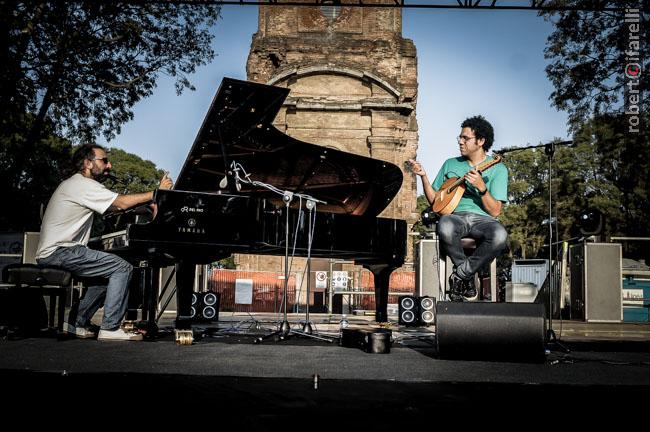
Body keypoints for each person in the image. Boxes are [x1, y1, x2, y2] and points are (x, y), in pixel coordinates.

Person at [35, 144, 173, 340]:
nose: (109, 165)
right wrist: (156, 193)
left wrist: (143, 205)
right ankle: (110, 328)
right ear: (87, 163)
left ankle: (76, 323)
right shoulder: (82, 184)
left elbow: (117, 209)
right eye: (104, 160)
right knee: (122, 268)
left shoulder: (76, 184)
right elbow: (121, 203)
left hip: (59, 251)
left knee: (104, 275)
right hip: (60, 252)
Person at [408, 115, 508, 302]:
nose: (460, 141)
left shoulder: (498, 168)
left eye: (465, 138)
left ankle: (460, 275)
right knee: (445, 225)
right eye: (459, 138)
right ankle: (468, 276)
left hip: (484, 220)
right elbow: (436, 202)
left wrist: (481, 187)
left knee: (500, 235)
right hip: (456, 217)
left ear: (481, 141)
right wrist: (423, 176)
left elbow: (495, 211)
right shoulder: (450, 164)